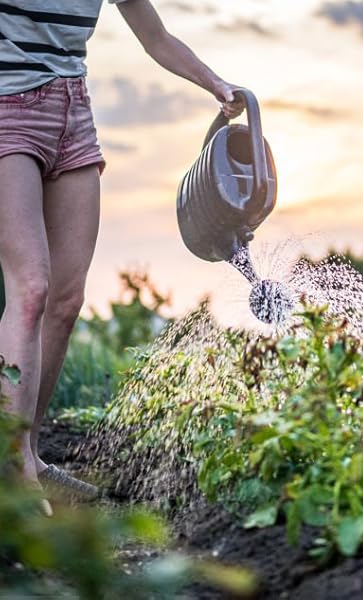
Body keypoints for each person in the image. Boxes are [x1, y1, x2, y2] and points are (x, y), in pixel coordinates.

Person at [0, 0, 244, 513]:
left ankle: (29, 451)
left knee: (65, 300)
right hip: (6, 107)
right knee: (31, 290)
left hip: (72, 113)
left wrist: (217, 85)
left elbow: (156, 37)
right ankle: (14, 466)